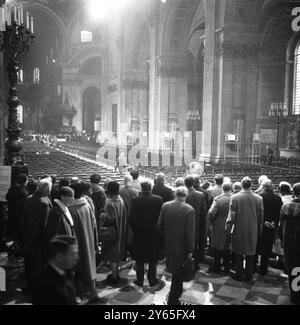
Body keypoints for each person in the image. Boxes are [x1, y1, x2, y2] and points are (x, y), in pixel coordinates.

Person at [158, 187, 195, 305]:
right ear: (186, 195)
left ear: (175, 194)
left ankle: (176, 296)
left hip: (169, 244)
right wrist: (190, 249)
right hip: (182, 246)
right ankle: (173, 300)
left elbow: (159, 226)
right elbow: (190, 232)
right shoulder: (189, 209)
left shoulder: (165, 206)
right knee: (178, 274)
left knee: (175, 272)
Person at [226, 177, 264, 282]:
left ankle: (238, 274)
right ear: (251, 185)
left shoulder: (235, 197)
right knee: (250, 253)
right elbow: (261, 216)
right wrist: (260, 229)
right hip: (253, 229)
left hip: (239, 228)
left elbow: (231, 216)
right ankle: (249, 275)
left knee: (238, 252)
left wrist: (229, 228)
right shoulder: (258, 199)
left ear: (242, 185)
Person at [130, 180, 164, 290]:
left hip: (139, 233)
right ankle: (152, 280)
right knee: (153, 258)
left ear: (141, 188)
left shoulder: (135, 200)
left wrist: (136, 230)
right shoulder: (158, 199)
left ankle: (139, 280)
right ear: (150, 188)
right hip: (154, 233)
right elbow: (161, 217)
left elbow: (131, 218)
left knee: (139, 258)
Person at [69, 183, 99, 303]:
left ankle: (79, 294)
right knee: (89, 266)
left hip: (77, 243)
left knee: (78, 269)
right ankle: (93, 292)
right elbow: (94, 224)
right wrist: (95, 242)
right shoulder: (86, 204)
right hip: (89, 240)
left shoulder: (70, 209)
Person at [21, 179, 53, 292]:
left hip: (28, 238)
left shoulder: (29, 198)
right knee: (38, 266)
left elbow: (24, 220)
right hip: (39, 241)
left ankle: (30, 286)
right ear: (47, 189)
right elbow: (42, 225)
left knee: (30, 265)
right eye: (50, 188)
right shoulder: (43, 202)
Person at [32, 235, 79, 305]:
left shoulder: (64, 272)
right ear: (59, 256)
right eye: (72, 254)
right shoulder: (45, 285)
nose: (77, 257)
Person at [101, 181, 127, 285]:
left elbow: (109, 218)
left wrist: (102, 215)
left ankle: (114, 277)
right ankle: (116, 273)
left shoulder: (109, 202)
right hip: (120, 229)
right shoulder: (120, 199)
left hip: (111, 232)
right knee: (116, 253)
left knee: (111, 255)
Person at [256, 180, 283, 275]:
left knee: (257, 246)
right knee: (267, 248)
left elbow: (257, 213)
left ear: (263, 187)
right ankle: (264, 269)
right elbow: (279, 214)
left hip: (259, 226)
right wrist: (273, 223)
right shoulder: (278, 198)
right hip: (271, 226)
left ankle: (254, 267)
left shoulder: (259, 197)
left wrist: (263, 222)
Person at [280, 183, 300, 304]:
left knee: (294, 270)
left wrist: (282, 241)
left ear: (293, 192)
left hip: (290, 243)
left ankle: (295, 295)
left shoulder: (286, 207)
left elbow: (281, 226)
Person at [208, 183, 232, 273]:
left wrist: (211, 221)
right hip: (230, 226)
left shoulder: (218, 199)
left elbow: (211, 213)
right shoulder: (234, 198)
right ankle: (226, 267)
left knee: (217, 247)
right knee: (227, 247)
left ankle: (217, 267)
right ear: (231, 188)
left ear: (223, 188)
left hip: (219, 225)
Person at [185, 176, 206, 267]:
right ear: (193, 183)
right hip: (197, 222)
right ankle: (196, 264)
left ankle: (184, 264)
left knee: (184, 242)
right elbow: (204, 210)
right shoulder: (200, 194)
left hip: (184, 222)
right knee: (195, 243)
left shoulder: (181, 194)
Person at [119, 175, 139, 257]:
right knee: (132, 234)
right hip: (133, 215)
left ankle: (123, 252)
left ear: (124, 181)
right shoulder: (135, 192)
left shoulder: (120, 191)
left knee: (123, 233)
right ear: (131, 181)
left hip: (122, 215)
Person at [6, 173, 28, 242]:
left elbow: (7, 197)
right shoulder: (23, 192)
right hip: (18, 215)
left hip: (11, 211)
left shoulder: (12, 188)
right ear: (24, 181)